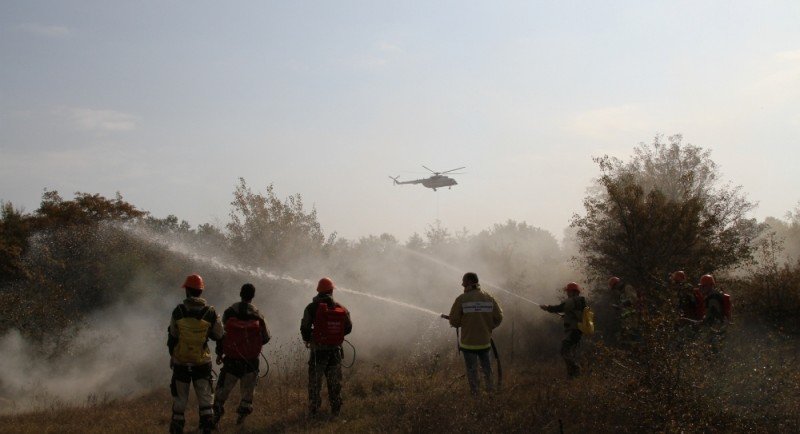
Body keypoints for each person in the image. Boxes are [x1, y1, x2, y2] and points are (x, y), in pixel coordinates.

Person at [167, 274, 224, 434]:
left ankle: (177, 428)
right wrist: (220, 353)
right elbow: (219, 335)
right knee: (205, 398)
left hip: (181, 362)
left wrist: (173, 356)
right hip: (202, 363)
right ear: (201, 291)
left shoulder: (178, 311)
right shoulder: (210, 312)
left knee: (180, 399)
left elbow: (172, 336)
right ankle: (207, 427)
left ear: (187, 291)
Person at [213, 283, 271, 427]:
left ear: (240, 294)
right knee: (247, 393)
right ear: (253, 296)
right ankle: (242, 418)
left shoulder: (229, 312)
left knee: (222, 392)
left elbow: (221, 335)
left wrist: (220, 353)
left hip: (231, 360)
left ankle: (216, 415)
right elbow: (266, 337)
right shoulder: (258, 314)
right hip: (251, 361)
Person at [300, 277, 352, 417]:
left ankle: (314, 410)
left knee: (315, 383)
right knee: (335, 383)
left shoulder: (311, 308)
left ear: (319, 291)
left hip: (318, 352)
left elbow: (304, 328)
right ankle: (336, 410)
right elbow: (348, 327)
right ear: (331, 291)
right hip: (335, 351)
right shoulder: (340, 307)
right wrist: (335, 335)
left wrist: (311, 337)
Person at [446, 272, 503, 395]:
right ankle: (490, 393)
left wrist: (464, 322)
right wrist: (488, 327)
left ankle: (475, 395)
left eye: (464, 281)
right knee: (487, 370)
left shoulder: (461, 299)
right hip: (485, 343)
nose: (462, 284)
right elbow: (498, 318)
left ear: (470, 282)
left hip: (468, 344)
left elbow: (454, 320)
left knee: (472, 371)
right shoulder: (489, 298)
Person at [540, 282, 588, 378]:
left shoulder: (573, 300)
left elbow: (559, 308)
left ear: (574, 292)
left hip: (573, 330)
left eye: (568, 291)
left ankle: (575, 370)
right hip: (577, 330)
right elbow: (575, 314)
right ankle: (572, 376)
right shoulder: (579, 301)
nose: (567, 293)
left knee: (564, 351)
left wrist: (547, 308)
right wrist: (567, 316)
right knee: (570, 353)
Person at [608, 276, 641, 345]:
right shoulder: (622, 294)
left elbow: (633, 300)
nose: (615, 289)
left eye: (615, 287)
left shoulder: (627, 288)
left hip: (636, 319)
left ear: (617, 284)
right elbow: (626, 309)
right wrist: (618, 307)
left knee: (638, 339)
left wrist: (622, 305)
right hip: (630, 322)